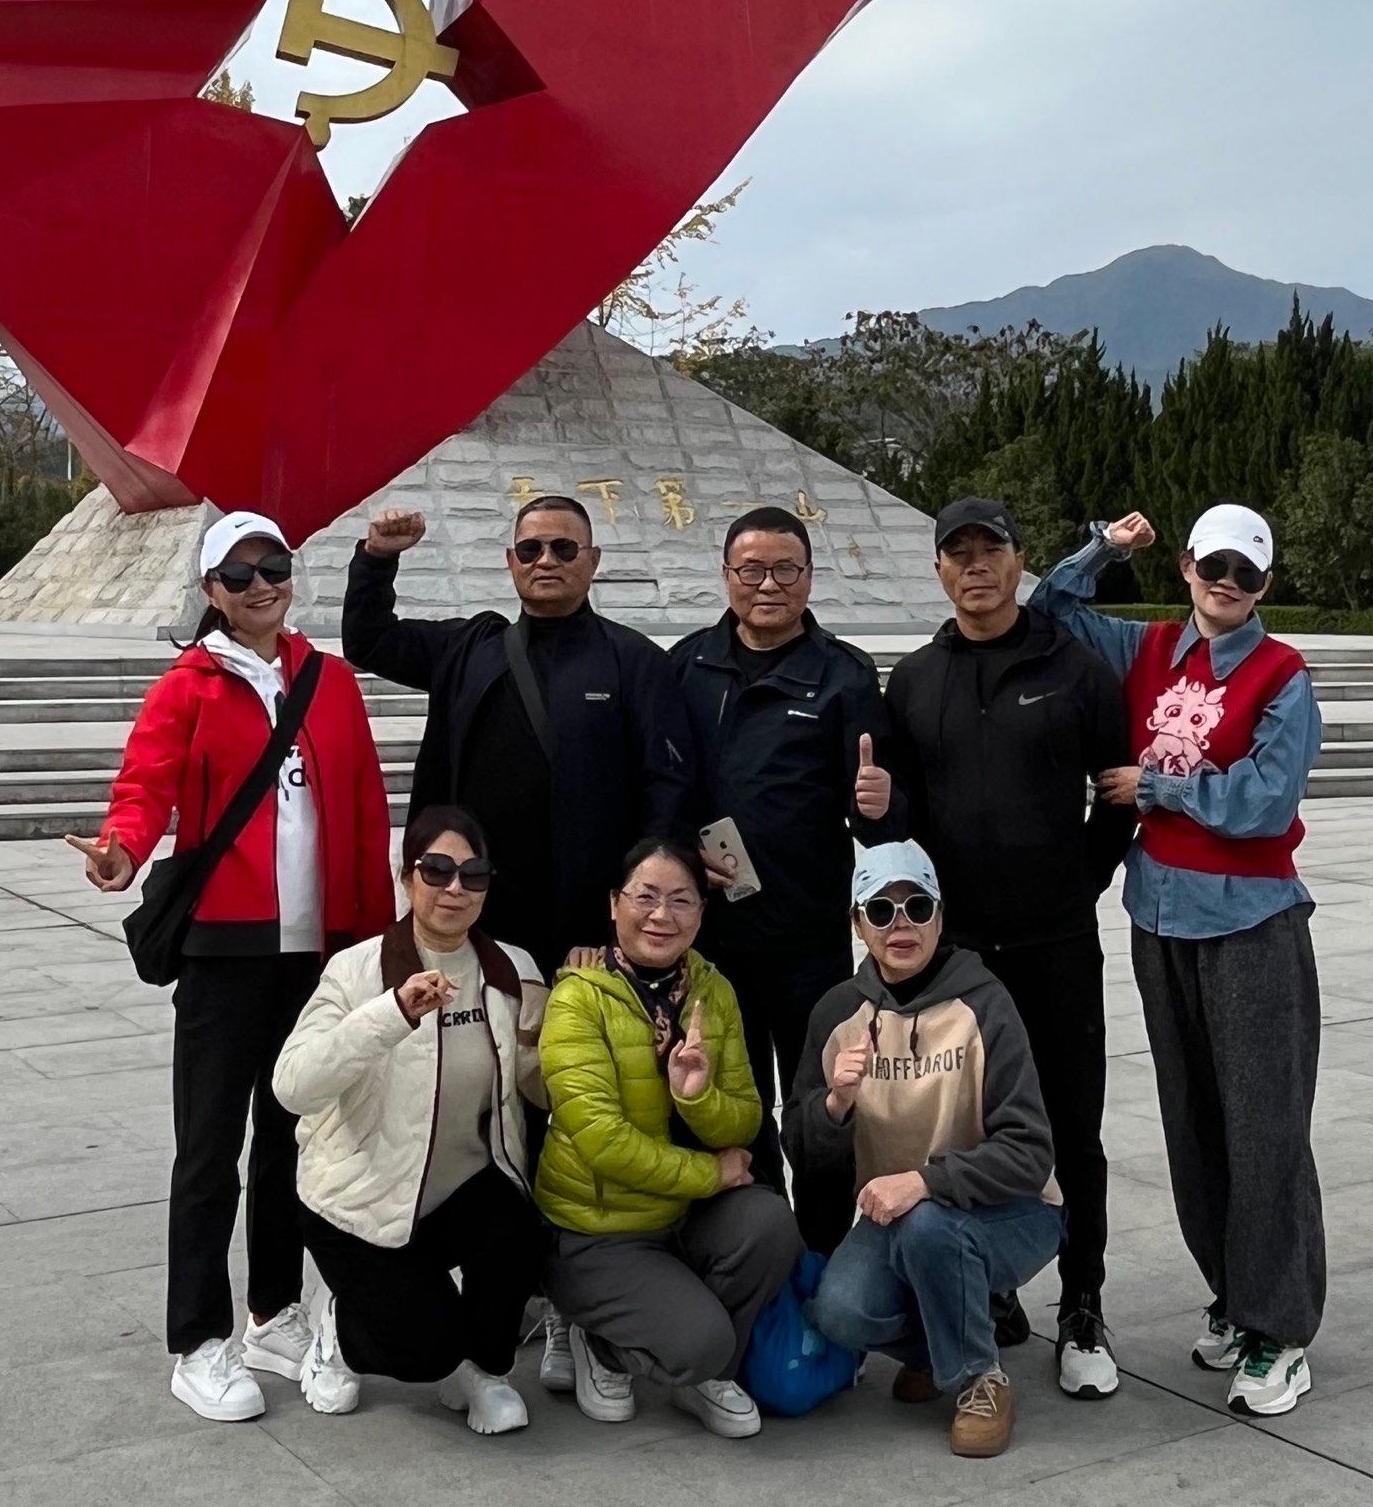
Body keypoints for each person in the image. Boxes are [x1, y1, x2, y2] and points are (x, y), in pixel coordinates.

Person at [68, 510, 394, 1425]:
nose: (261, 587)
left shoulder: (329, 682)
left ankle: (275, 1314)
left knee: (294, 1140)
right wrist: (120, 852)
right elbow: (144, 788)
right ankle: (197, 1339)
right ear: (212, 592)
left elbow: (365, 808)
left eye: (273, 568)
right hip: (226, 947)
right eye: (239, 575)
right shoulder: (189, 686)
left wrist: (373, 937)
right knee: (210, 1150)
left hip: (316, 953)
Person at [1031, 502, 1326, 1418]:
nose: (1226, 585)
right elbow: (1046, 614)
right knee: (1193, 1122)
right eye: (1212, 567)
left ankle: (1281, 1329)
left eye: (1245, 573)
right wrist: (1103, 549)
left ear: (1264, 586)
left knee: (1263, 1126)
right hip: (1157, 917)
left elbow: (1266, 803)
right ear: (1188, 567)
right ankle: (1235, 1302)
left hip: (1248, 925)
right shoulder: (1149, 651)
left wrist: (1157, 785)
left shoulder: (1283, 675)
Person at [879, 495, 1134, 1398]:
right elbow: (897, 817)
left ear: (1021, 563)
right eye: (959, 552)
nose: (976, 566)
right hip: (960, 960)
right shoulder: (913, 681)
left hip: (1055, 942)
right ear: (939, 569)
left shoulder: (1074, 670)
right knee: (965, 1128)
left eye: (992, 550)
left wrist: (1082, 882)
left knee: (1071, 1126)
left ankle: (1084, 1305)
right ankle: (991, 1291)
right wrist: (870, 814)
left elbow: (1119, 794)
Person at [272, 805, 549, 1434]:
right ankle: (341, 1331)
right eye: (437, 870)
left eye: (473, 874)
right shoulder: (357, 970)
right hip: (359, 1198)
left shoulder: (514, 970)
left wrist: (591, 1021)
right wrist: (391, 1012)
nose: (455, 888)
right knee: (423, 1350)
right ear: (407, 878)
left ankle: (482, 1370)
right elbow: (293, 1086)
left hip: (459, 1188)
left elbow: (536, 1085)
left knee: (516, 1231)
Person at [789, 842, 1064, 1463]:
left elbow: (1030, 1152)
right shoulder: (838, 1014)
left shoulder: (986, 1003)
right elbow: (802, 1152)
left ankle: (978, 1380)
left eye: (917, 906)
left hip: (1012, 1210)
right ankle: (950, 1338)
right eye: (880, 911)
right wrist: (833, 1107)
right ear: (858, 925)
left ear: (940, 916)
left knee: (929, 1226)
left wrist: (923, 1180)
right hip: (897, 1214)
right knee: (839, 1311)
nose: (901, 924)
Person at [342, 496, 693, 976]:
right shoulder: (469, 648)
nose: (546, 560)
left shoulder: (635, 661)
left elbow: (667, 788)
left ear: (593, 560)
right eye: (530, 550)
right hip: (477, 906)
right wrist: (378, 558)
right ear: (511, 562)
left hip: (591, 920)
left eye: (564, 548)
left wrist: (638, 911)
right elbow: (368, 640)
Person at [671, 503, 900, 1235]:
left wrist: (876, 804)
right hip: (712, 941)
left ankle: (829, 1253)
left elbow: (882, 825)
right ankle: (761, 1250)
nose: (767, 585)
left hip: (806, 941)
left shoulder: (843, 676)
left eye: (785, 569)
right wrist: (679, 853)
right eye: (751, 569)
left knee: (819, 1104)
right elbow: (659, 784)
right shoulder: (686, 666)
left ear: (808, 576)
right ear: (727, 575)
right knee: (732, 1104)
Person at [537, 833, 803, 1440]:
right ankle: (599, 1337)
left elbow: (745, 1121)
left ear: (702, 913)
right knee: (703, 1339)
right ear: (614, 904)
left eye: (682, 900)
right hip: (600, 1231)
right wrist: (711, 1173)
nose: (662, 915)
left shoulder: (713, 991)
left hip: (684, 1218)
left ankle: (698, 1364)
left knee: (768, 1226)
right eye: (646, 897)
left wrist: (697, 1096)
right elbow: (602, 1140)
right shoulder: (578, 999)